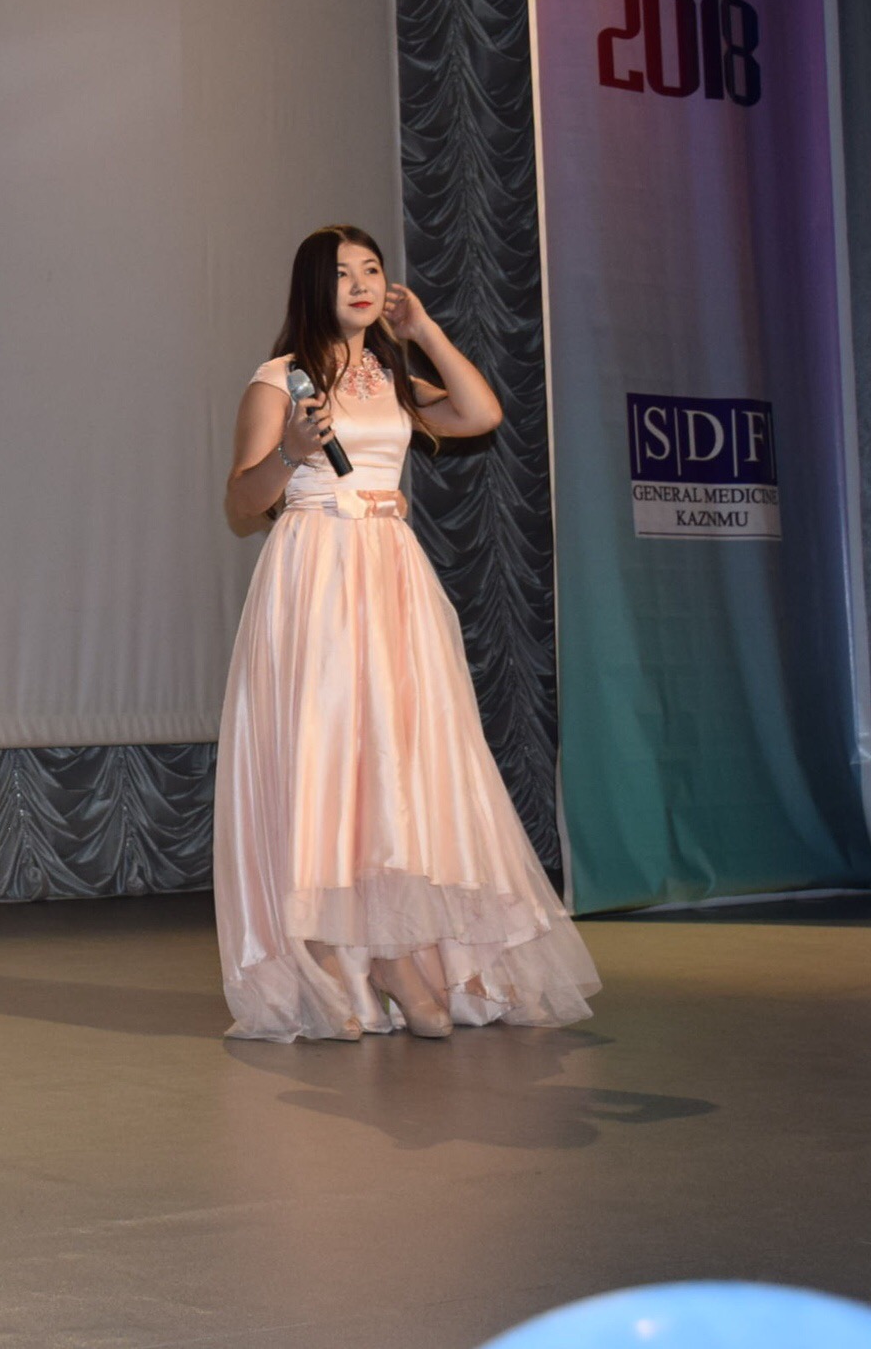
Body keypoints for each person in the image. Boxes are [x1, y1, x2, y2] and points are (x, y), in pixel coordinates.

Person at [214, 224, 598, 1041]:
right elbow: (242, 501)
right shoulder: (279, 380)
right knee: (334, 757)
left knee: (401, 758)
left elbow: (480, 413)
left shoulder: (390, 375)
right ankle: (353, 951)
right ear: (312, 286)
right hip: (317, 574)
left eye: (371, 269)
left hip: (391, 573)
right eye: (342, 273)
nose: (360, 283)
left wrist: (423, 330)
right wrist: (289, 453)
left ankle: (401, 942)